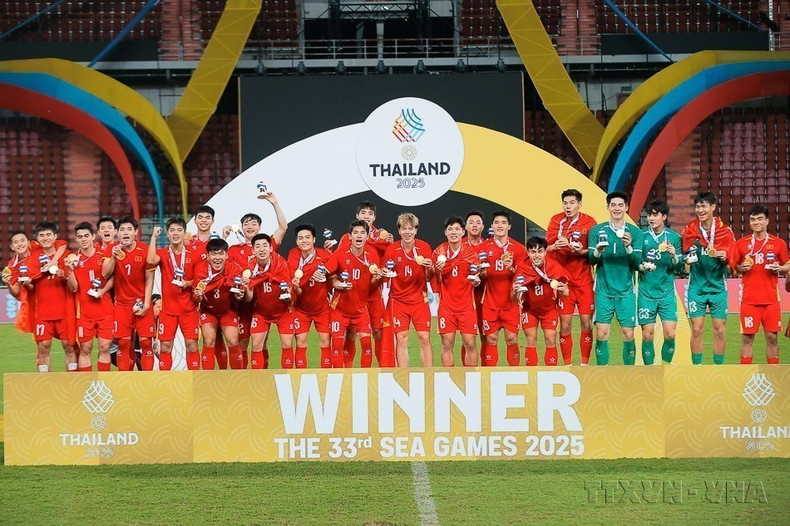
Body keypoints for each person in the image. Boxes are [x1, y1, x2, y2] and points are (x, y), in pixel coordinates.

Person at [226, 193, 288, 368]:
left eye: (254, 223)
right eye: (246, 223)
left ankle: (262, 375)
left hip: (262, 304)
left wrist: (275, 203)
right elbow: (221, 266)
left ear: (259, 227)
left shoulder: (266, 245)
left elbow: (283, 227)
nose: (250, 226)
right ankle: (244, 378)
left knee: (261, 342)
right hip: (243, 304)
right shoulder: (233, 250)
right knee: (244, 342)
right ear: (242, 228)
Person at [332, 201, 393, 366]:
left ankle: (382, 368)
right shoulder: (347, 237)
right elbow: (341, 258)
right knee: (351, 333)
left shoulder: (383, 235)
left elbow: (389, 253)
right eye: (363, 213)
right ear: (357, 216)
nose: (366, 215)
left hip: (373, 291)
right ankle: (348, 368)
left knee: (378, 332)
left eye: (370, 213)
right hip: (353, 292)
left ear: (374, 217)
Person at [588, 192, 642, 365]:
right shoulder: (597, 231)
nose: (617, 208)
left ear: (626, 208)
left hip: (626, 291)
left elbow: (637, 263)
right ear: (608, 207)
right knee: (601, 333)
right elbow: (590, 259)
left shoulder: (634, 232)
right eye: (613, 205)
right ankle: (602, 374)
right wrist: (598, 251)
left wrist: (628, 247)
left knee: (628, 334)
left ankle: (629, 374)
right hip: (603, 291)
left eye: (620, 205)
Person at [681, 192, 735, 365]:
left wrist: (724, 256)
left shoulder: (725, 232)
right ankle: (697, 368)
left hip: (718, 287)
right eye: (697, 206)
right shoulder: (690, 229)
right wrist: (686, 259)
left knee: (719, 330)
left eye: (703, 206)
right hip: (697, 287)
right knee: (696, 329)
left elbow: (732, 259)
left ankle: (718, 369)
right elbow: (684, 254)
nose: (700, 210)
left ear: (713, 207)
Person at [546, 189, 597, 366]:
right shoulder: (555, 220)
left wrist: (580, 251)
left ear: (580, 204)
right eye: (565, 203)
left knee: (586, 324)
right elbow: (547, 247)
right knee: (565, 325)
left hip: (584, 282)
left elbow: (595, 251)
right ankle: (568, 365)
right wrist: (555, 246)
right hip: (564, 282)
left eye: (572, 203)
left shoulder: (590, 222)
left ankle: (584, 365)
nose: (568, 207)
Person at [733, 205, 790, 364]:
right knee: (747, 338)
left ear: (767, 221)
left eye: (759, 219)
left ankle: (773, 375)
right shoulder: (741, 243)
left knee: (772, 338)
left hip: (771, 299)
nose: (756, 222)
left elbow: (788, 265)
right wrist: (741, 268)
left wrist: (780, 268)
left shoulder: (778, 243)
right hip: (749, 300)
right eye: (752, 219)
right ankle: (744, 376)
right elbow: (735, 266)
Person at [324, 220, 385, 368]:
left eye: (362, 233)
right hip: (340, 309)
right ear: (350, 236)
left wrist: (378, 278)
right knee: (337, 345)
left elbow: (372, 285)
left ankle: (365, 379)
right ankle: (340, 378)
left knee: (367, 345)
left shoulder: (372, 254)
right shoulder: (340, 253)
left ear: (367, 236)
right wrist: (337, 284)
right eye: (355, 233)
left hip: (360, 310)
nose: (359, 236)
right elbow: (328, 276)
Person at [22, 222, 77, 372]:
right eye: (41, 235)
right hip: (43, 313)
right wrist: (27, 284)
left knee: (69, 346)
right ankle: (45, 384)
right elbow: (32, 286)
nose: (45, 238)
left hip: (64, 311)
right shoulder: (33, 259)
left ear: (55, 237)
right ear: (37, 239)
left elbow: (74, 286)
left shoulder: (66, 256)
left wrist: (64, 275)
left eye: (48, 234)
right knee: (44, 347)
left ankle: (73, 382)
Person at [102, 216, 155, 371]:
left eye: (129, 229)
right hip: (122, 305)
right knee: (124, 343)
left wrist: (146, 303)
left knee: (146, 342)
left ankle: (148, 380)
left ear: (136, 232)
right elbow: (105, 274)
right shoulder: (111, 250)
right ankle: (126, 380)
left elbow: (149, 278)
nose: (126, 233)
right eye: (122, 230)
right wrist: (112, 256)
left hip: (141, 302)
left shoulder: (145, 250)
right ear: (117, 233)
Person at [147, 218, 200, 370]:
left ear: (184, 233)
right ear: (168, 234)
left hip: (189, 310)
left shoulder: (194, 254)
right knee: (165, 347)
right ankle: (166, 382)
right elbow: (150, 260)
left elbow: (198, 279)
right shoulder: (163, 253)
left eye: (179, 230)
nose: (175, 233)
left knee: (192, 346)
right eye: (172, 230)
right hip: (168, 311)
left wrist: (187, 283)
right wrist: (153, 238)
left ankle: (194, 381)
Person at [383, 213, 434, 367]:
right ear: (399, 230)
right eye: (404, 228)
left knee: (424, 337)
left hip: (419, 299)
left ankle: (428, 374)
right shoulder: (392, 249)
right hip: (398, 301)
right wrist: (384, 272)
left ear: (415, 230)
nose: (407, 232)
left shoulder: (424, 247)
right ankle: (403, 376)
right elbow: (386, 274)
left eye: (410, 229)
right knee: (401, 338)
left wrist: (429, 267)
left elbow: (428, 277)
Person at [637, 200, 684, 365]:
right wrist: (642, 267)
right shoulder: (640, 236)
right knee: (647, 334)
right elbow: (634, 261)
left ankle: (665, 369)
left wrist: (674, 255)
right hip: (646, 293)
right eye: (649, 214)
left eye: (655, 215)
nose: (651, 218)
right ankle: (650, 372)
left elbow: (679, 267)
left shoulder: (674, 238)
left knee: (670, 334)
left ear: (663, 216)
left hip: (666, 294)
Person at [479, 210, 526, 366]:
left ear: (509, 226)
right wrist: (481, 273)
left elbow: (521, 276)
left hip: (510, 303)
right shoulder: (483, 248)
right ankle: (490, 375)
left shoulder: (518, 249)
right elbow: (479, 277)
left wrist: (511, 268)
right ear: (492, 226)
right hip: (490, 302)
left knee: (512, 338)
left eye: (503, 223)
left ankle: (515, 374)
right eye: (497, 223)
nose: (500, 226)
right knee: (491, 339)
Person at [432, 215, 480, 367]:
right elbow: (432, 279)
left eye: (457, 229)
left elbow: (476, 274)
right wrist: (437, 271)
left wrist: (476, 280)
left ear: (462, 232)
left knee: (470, 343)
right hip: (446, 306)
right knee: (447, 343)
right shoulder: (438, 252)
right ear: (445, 232)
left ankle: (471, 379)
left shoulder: (471, 253)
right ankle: (449, 379)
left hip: (466, 306)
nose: (453, 232)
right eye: (450, 229)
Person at [66, 222, 114, 371]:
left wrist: (102, 291)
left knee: (105, 347)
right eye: (80, 237)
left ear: (93, 236)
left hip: (105, 310)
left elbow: (112, 278)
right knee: (85, 350)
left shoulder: (104, 254)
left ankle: (103, 384)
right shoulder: (72, 259)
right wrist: (69, 270)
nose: (84, 239)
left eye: (86, 236)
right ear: (76, 239)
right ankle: (87, 386)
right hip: (85, 312)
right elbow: (73, 288)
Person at [515, 237, 569, 366]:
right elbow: (514, 293)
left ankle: (550, 374)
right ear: (528, 252)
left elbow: (565, 288)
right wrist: (516, 291)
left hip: (549, 310)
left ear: (545, 252)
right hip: (529, 309)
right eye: (533, 252)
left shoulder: (553, 266)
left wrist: (564, 290)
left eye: (540, 251)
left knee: (550, 339)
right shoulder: (523, 267)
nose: (537, 255)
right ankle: (532, 374)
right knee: (531, 339)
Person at [243, 233, 294, 369]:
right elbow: (248, 299)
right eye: (257, 246)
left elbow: (288, 287)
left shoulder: (280, 263)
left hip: (283, 312)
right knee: (256, 344)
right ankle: (259, 380)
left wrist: (287, 294)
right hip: (262, 313)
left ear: (271, 248)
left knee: (287, 344)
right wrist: (246, 286)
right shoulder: (250, 268)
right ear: (253, 251)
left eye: (265, 245)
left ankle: (286, 379)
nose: (261, 249)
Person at [193, 238, 244, 369]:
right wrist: (198, 296)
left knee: (232, 340)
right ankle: (208, 380)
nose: (217, 257)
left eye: (221, 253)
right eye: (213, 254)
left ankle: (238, 378)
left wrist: (239, 295)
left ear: (226, 255)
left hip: (228, 310)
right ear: (208, 256)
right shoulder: (200, 269)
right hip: (208, 310)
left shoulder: (234, 268)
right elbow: (196, 298)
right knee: (209, 340)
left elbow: (239, 295)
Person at [288, 224, 332, 368]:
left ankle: (326, 376)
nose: (304, 241)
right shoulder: (294, 254)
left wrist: (326, 270)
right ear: (296, 241)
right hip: (301, 308)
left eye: (307, 237)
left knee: (325, 341)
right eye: (300, 238)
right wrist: (299, 283)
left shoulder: (324, 255)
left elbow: (334, 270)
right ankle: (301, 377)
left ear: (314, 239)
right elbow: (296, 286)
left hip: (322, 308)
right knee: (300, 342)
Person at [463, 209, 486, 365]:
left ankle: (485, 370)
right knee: (467, 338)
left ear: (483, 226)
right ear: (465, 226)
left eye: (478, 222)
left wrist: (482, 275)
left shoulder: (488, 247)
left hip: (485, 297)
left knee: (486, 335)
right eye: (471, 222)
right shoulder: (460, 245)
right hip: (465, 297)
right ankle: (466, 372)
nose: (475, 225)